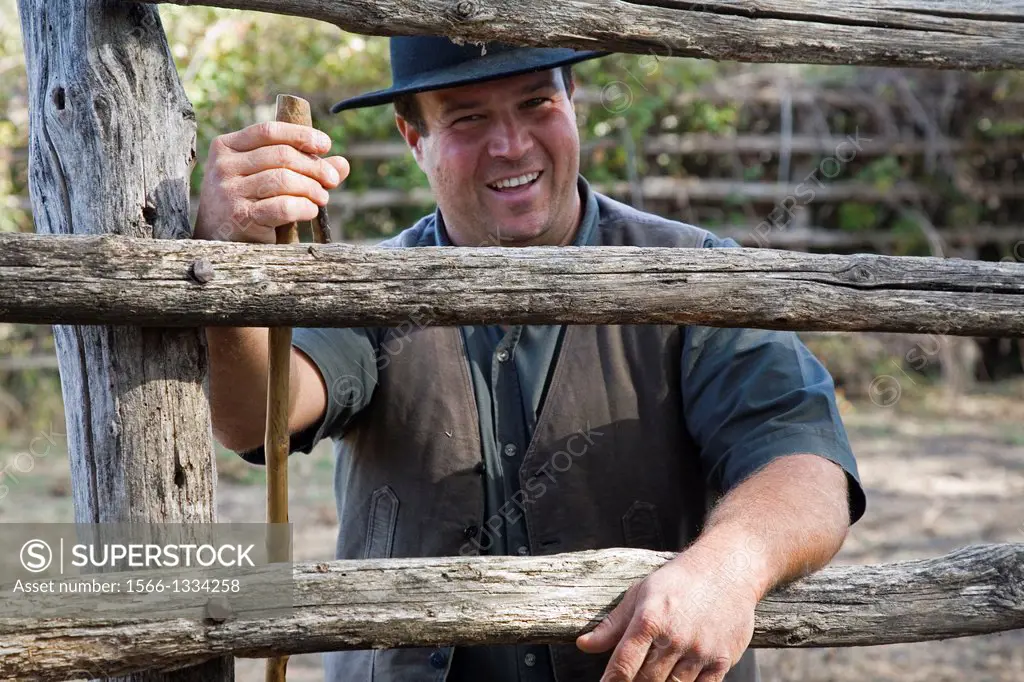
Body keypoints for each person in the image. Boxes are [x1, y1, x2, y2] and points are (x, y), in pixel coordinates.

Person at [195, 35, 866, 682]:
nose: (511, 144)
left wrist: (727, 566)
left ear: (573, 98)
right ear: (413, 140)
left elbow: (808, 464)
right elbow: (255, 415)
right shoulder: (369, 289)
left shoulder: (696, 277)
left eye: (536, 103)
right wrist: (227, 260)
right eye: (467, 117)